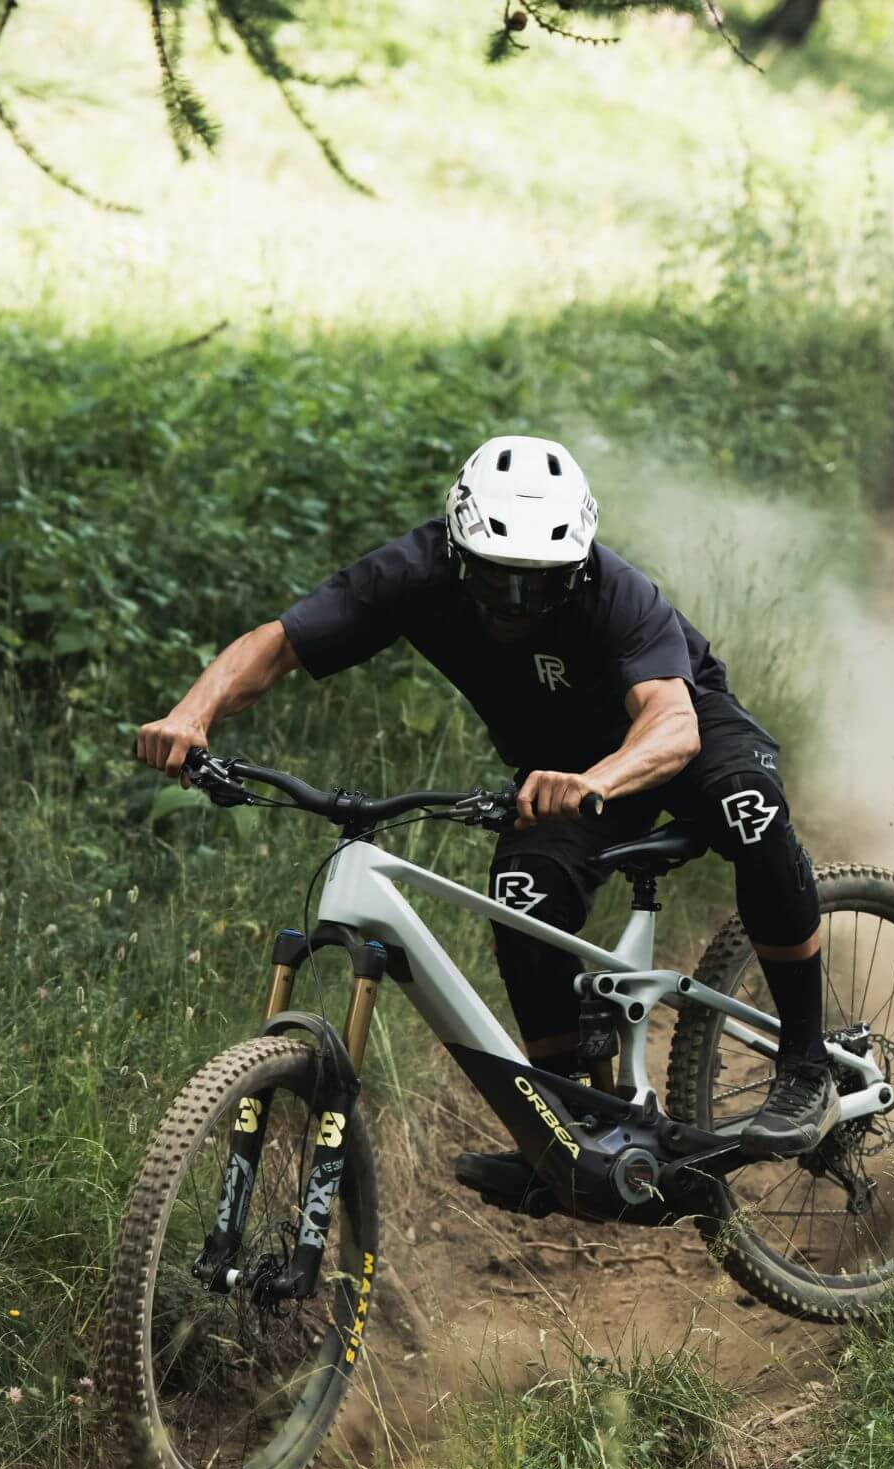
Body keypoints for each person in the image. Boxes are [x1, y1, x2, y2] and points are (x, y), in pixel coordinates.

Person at [135, 436, 838, 1158]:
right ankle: (565, 1127)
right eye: (497, 579)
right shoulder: (415, 570)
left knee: (747, 808)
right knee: (520, 891)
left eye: (541, 584)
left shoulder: (614, 589)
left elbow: (672, 723)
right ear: (457, 552)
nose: (517, 603)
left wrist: (596, 780)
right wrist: (193, 714)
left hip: (678, 729)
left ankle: (807, 1066)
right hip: (563, 770)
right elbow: (279, 644)